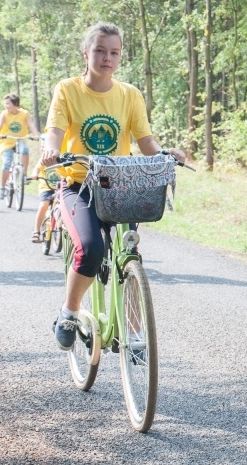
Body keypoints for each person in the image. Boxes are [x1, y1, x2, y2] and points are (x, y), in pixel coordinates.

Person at [41, 22, 185, 351]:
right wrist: (50, 149)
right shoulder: (68, 90)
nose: (108, 58)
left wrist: (165, 154)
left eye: (114, 52)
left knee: (129, 256)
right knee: (90, 249)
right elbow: (54, 131)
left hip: (119, 188)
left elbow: (145, 141)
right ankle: (69, 312)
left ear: (120, 56)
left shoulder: (130, 95)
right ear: (86, 54)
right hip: (78, 185)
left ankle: (134, 333)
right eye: (100, 51)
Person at [0, 93, 39, 200]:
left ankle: (23, 175)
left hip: (20, 139)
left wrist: (36, 135)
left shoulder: (24, 113)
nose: (6, 106)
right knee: (7, 163)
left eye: (8, 104)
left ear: (15, 104)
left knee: (25, 150)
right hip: (6, 141)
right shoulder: (4, 114)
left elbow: (31, 125)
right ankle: (1, 188)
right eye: (5, 104)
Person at [30, 135, 61, 243]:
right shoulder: (43, 159)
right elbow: (37, 169)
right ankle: (36, 231)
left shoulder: (60, 159)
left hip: (59, 188)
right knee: (44, 205)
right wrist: (34, 175)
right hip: (46, 187)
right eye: (42, 146)